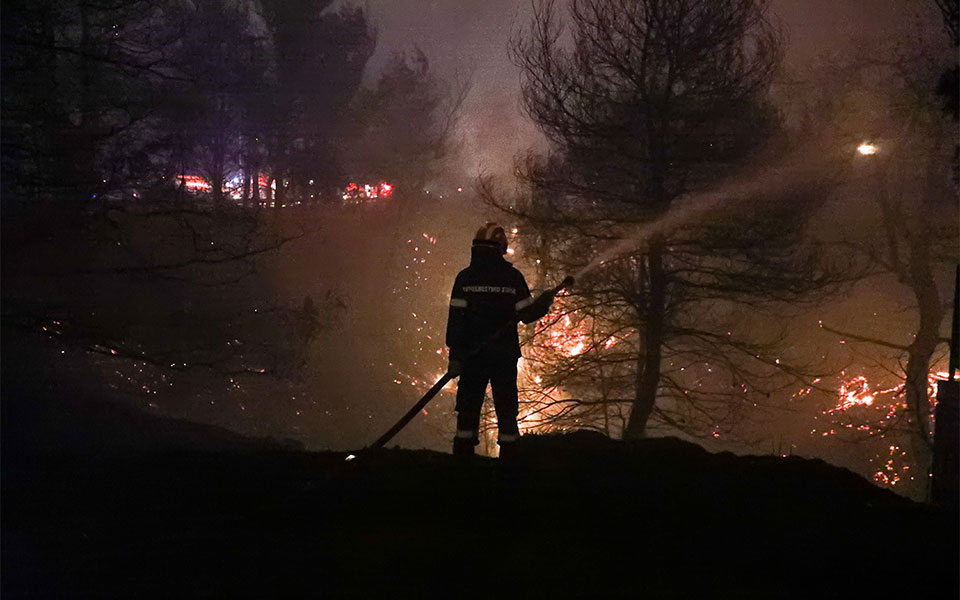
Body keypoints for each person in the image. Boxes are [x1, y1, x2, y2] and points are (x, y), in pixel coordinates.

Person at [445, 222, 557, 457]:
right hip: (503, 356)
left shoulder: (464, 278)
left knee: (468, 407)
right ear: (500, 247)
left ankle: (462, 461)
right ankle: (510, 460)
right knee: (506, 408)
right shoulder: (511, 277)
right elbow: (527, 315)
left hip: (471, 357)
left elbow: (455, 322)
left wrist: (455, 357)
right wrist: (544, 303)